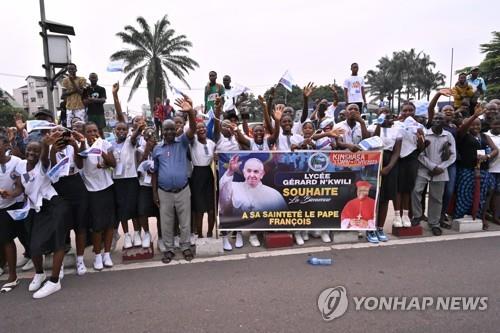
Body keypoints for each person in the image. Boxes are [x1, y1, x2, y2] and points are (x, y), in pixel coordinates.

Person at [11, 138, 71, 298]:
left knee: (58, 243)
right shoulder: (20, 165)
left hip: (53, 205)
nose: (32, 153)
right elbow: (20, 187)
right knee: (34, 246)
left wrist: (45, 144)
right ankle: (40, 274)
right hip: (36, 209)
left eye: (36, 150)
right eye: (29, 149)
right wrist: (10, 194)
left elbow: (45, 157)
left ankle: (54, 281)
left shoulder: (43, 165)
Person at [152, 97, 196, 264]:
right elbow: (154, 173)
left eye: (172, 129)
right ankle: (169, 249)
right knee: (167, 223)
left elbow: (192, 128)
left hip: (183, 190)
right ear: (162, 131)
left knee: (185, 223)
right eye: (166, 130)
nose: (170, 132)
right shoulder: (157, 149)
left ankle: (185, 247)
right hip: (164, 192)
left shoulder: (183, 143)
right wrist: (154, 192)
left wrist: (190, 112)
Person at [48, 126, 89, 275]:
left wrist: (75, 145)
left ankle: (80, 259)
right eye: (56, 133)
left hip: (75, 184)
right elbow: (52, 168)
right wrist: (53, 148)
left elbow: (79, 165)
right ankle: (61, 262)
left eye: (63, 133)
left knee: (80, 225)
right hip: (59, 186)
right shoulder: (49, 148)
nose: (61, 137)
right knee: (61, 226)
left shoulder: (72, 146)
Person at [411, 113, 456, 236]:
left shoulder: (448, 136)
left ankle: (434, 223)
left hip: (441, 170)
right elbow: (420, 153)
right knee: (416, 191)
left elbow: (453, 155)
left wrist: (440, 168)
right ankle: (417, 216)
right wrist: (432, 166)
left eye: (440, 118)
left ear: (444, 122)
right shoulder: (424, 134)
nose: (437, 120)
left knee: (436, 198)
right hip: (424, 168)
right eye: (435, 118)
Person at [454, 105, 498, 229]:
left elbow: (495, 150)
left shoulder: (484, 136)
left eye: (478, 124)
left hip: (482, 170)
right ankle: (461, 217)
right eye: (472, 124)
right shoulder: (463, 135)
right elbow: (463, 128)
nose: (475, 126)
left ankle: (479, 217)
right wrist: (475, 116)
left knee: (481, 195)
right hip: (467, 170)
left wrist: (487, 156)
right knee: (465, 194)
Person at [80, 122, 117, 270]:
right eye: (89, 131)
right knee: (97, 227)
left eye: (95, 130)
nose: (92, 133)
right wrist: (87, 145)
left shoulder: (105, 143)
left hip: (107, 187)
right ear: (84, 133)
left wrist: (100, 149)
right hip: (92, 190)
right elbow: (80, 162)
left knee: (109, 224)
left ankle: (107, 254)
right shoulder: (82, 146)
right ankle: (97, 255)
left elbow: (113, 163)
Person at [365, 108, 402, 243]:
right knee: (372, 198)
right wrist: (379, 125)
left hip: (389, 163)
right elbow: (373, 141)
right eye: (383, 115)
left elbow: (397, 151)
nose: (386, 118)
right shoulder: (373, 127)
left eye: (388, 116)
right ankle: (370, 228)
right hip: (374, 161)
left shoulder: (398, 131)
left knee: (385, 198)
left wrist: (388, 167)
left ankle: (379, 228)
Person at [392, 102, 426, 227]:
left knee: (407, 188)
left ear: (414, 111)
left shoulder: (419, 126)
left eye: (410, 110)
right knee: (398, 189)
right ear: (401, 111)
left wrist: (420, 137)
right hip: (397, 158)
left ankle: (405, 215)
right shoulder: (395, 125)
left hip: (411, 158)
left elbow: (421, 148)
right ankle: (396, 216)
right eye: (405, 110)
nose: (407, 113)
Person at [219, 156, 287, 214]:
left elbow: (282, 219)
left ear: (262, 174)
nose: (252, 175)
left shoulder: (274, 194)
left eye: (256, 171)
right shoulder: (233, 187)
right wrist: (230, 172)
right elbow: (223, 192)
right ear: (244, 172)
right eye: (249, 171)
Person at [0, 133, 24, 292]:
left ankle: (14, 275)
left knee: (14, 238)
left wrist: (12, 194)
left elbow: (20, 186)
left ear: (6, 146)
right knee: (3, 239)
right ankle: (6, 269)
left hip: (15, 205)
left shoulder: (17, 162)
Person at [190, 121, 216, 239]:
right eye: (198, 128)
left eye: (203, 127)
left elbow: (215, 157)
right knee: (199, 209)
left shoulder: (211, 143)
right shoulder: (193, 142)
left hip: (209, 174)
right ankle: (199, 235)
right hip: (197, 175)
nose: (201, 129)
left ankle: (210, 232)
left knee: (211, 209)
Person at [62, 63, 87, 127]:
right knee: (69, 126)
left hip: (80, 106)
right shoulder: (65, 80)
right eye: (69, 69)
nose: (70, 70)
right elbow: (64, 94)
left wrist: (72, 81)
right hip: (69, 107)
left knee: (80, 126)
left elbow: (81, 93)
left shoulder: (82, 79)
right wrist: (75, 90)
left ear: (76, 70)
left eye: (72, 69)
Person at [485, 118, 500, 224]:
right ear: (491, 125)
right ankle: (483, 216)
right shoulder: (485, 136)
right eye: (496, 124)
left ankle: (496, 216)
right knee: (488, 193)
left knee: (498, 193)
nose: (498, 126)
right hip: (489, 169)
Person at [83, 73, 107, 137]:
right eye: (92, 77)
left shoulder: (101, 89)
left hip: (99, 113)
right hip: (90, 113)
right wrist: (97, 100)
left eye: (95, 77)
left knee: (100, 130)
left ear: (97, 79)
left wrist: (91, 99)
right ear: (89, 79)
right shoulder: (86, 89)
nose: (93, 79)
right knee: (90, 130)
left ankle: (102, 144)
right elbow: (84, 102)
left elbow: (103, 100)